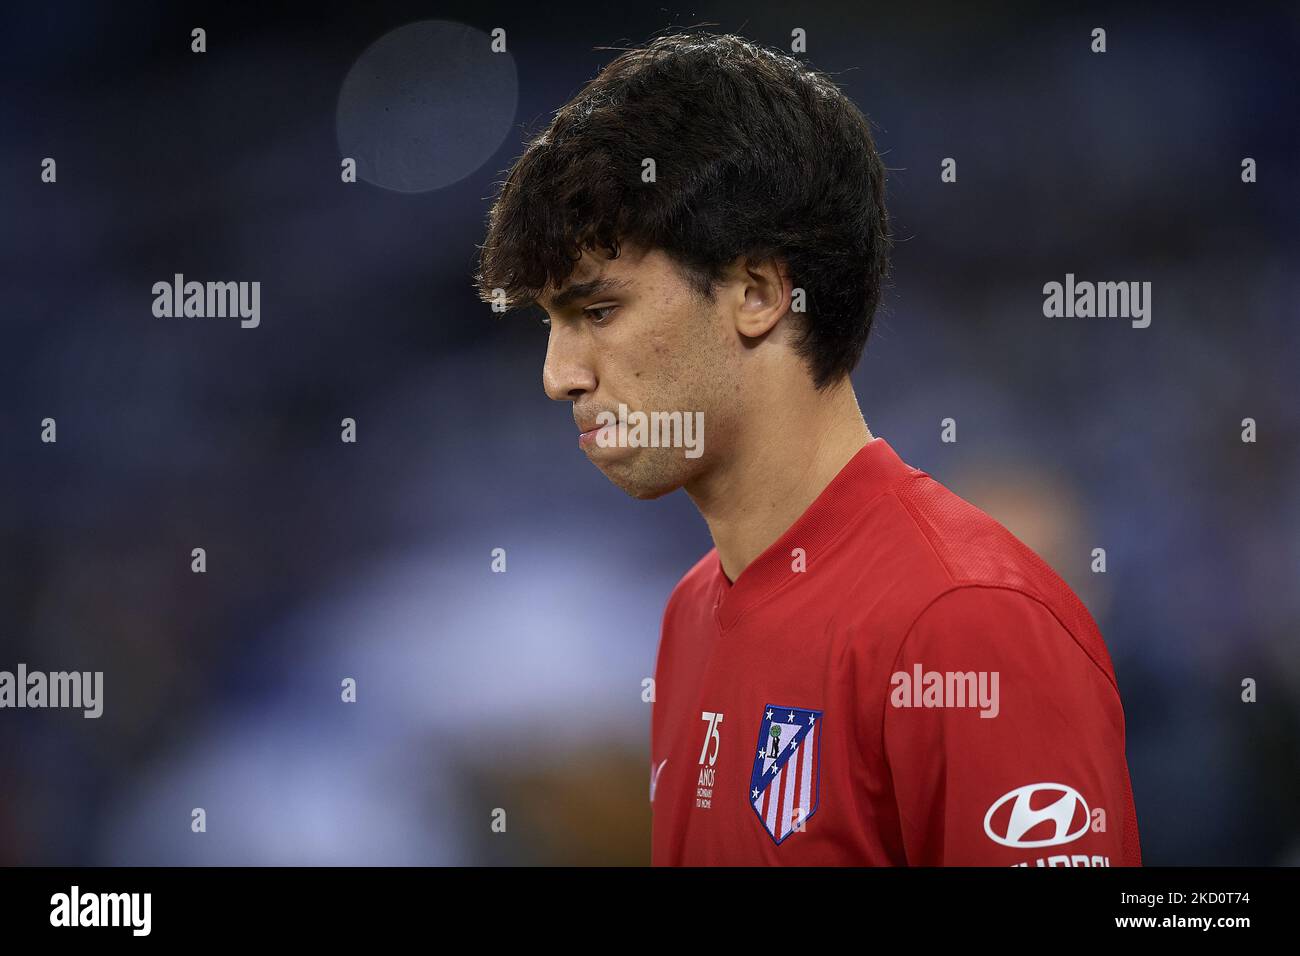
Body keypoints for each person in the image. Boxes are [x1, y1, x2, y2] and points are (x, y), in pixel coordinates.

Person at [475, 31, 1141, 865]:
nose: (559, 377)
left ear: (757, 293)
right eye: (549, 324)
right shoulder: (691, 613)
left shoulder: (967, 620)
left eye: (597, 311)